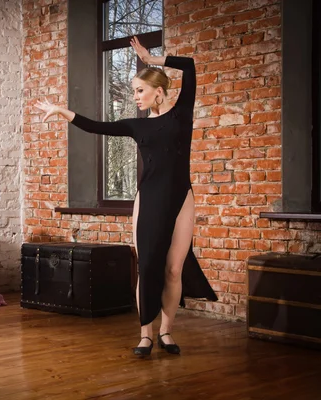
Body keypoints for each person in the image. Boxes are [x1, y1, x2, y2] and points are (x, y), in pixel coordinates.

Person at [36, 37, 217, 356]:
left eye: (139, 90)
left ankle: (167, 332)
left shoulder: (181, 114)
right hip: (148, 200)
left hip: (181, 199)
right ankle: (145, 335)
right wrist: (62, 111)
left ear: (158, 91)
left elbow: (188, 66)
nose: (135, 97)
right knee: (147, 267)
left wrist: (151, 59)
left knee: (174, 269)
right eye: (134, 91)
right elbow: (95, 127)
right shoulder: (136, 126)